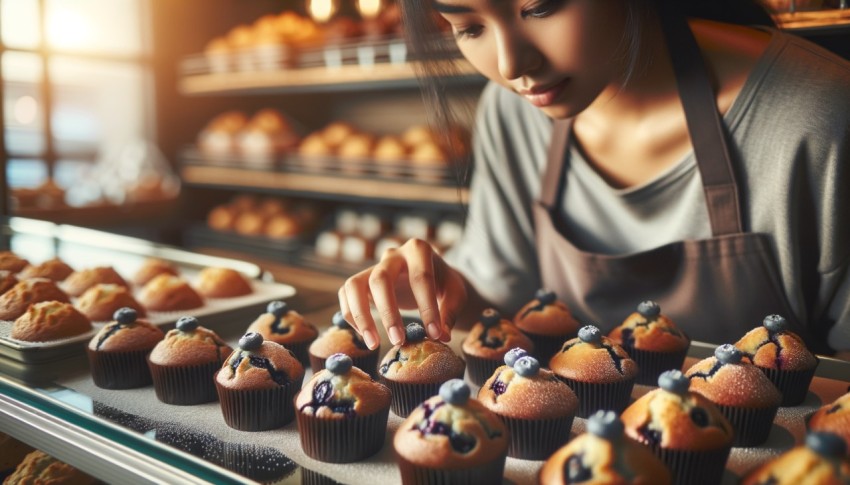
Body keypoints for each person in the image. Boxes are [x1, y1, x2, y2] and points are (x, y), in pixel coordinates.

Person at [337, 0, 850, 357]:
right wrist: (449, 293)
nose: (512, 64)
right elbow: (506, 300)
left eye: (541, 8)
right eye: (469, 27)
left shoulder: (820, 117)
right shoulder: (515, 112)